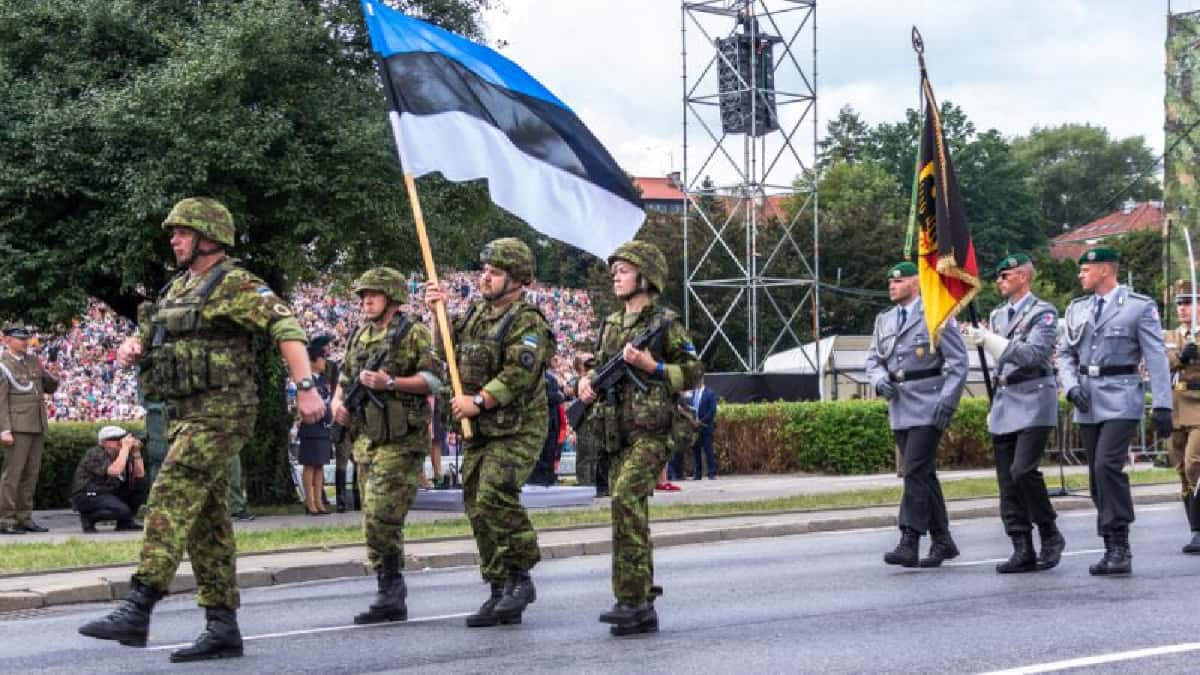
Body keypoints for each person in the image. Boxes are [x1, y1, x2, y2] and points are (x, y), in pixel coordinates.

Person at [78, 197, 325, 662]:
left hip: (221, 413)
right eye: (173, 233)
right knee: (207, 524)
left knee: (169, 495)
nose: (173, 239)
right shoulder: (176, 288)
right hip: (184, 415)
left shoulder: (235, 283)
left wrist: (306, 388)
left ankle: (138, 605)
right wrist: (134, 344)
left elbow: (286, 326)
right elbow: (149, 328)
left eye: (182, 232)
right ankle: (222, 625)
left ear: (209, 237)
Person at [424, 238, 553, 628]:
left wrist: (478, 402)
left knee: (494, 491)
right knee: (476, 505)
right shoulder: (476, 313)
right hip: (481, 430)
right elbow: (444, 349)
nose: (485, 278)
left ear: (516, 279)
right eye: (485, 271)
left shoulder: (527, 320)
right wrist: (436, 312)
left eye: (495, 272)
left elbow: (519, 373)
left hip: (517, 428)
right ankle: (498, 587)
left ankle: (521, 574)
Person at [578, 240, 703, 636]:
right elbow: (597, 368)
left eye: (624, 270)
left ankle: (630, 599)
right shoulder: (611, 324)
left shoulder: (665, 322)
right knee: (629, 513)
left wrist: (654, 366)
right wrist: (585, 383)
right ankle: (640, 602)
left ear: (646, 277)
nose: (616, 275)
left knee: (626, 499)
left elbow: (695, 372)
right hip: (617, 432)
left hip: (652, 431)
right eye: (614, 270)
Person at [332, 267, 440, 624]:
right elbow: (345, 376)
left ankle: (392, 588)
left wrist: (390, 381)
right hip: (367, 440)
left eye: (373, 295)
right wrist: (338, 402)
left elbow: (433, 380)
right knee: (371, 519)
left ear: (392, 297)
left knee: (382, 514)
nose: (366, 301)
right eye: (363, 296)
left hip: (402, 440)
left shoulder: (414, 334)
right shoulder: (360, 336)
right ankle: (388, 586)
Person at [1056, 247, 1172, 576]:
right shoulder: (1077, 308)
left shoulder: (1138, 307)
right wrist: (1070, 386)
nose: (1080, 274)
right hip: (1087, 399)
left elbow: (1157, 356)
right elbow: (1065, 354)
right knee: (1095, 476)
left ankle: (1121, 543)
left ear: (1105, 270)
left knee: (1108, 465)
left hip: (1122, 395)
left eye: (1086, 269)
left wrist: (1162, 404)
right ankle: (1110, 546)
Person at [962, 253, 1065, 573]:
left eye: (1005, 276)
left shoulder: (1043, 313)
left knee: (1023, 470)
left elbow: (1033, 355)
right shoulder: (996, 315)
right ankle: (1021, 545)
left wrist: (989, 339)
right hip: (1006, 399)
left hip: (1034, 397)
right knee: (1007, 481)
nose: (998, 281)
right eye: (998, 276)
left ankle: (1049, 531)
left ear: (1023, 277)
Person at [865, 262, 968, 568]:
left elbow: (958, 363)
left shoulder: (936, 312)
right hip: (899, 403)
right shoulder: (884, 320)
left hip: (929, 402)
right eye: (890, 281)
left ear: (916, 283)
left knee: (913, 471)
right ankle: (943, 540)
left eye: (899, 281)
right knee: (923, 474)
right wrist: (878, 379)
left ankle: (909, 538)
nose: (892, 285)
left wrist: (947, 402)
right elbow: (873, 359)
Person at [0, 323, 59, 535]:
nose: (25, 342)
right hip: (17, 427)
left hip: (36, 424)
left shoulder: (32, 361)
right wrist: (4, 429)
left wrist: (51, 373)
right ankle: (6, 519)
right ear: (6, 340)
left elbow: (50, 387)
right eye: (19, 338)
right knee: (12, 475)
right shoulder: (3, 364)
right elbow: (1, 400)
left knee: (30, 475)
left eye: (26, 338)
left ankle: (24, 517)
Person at [1166, 279, 1200, 554]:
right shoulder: (1170, 336)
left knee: (1194, 465)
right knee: (1180, 471)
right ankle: (1195, 530)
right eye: (1179, 304)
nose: (1182, 308)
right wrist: (1181, 357)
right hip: (1175, 405)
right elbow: (1160, 362)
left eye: (1188, 303)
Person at [71, 426, 147, 533]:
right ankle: (89, 518)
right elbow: (115, 471)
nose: (120, 442)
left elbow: (140, 475)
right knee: (122, 511)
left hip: (109, 492)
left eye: (122, 438)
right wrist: (125, 448)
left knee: (140, 484)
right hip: (88, 495)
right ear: (103, 442)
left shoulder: (121, 453)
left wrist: (136, 452)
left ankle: (125, 523)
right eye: (116, 439)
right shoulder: (95, 453)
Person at [298, 335, 335, 516]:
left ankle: (319, 501)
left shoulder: (322, 380)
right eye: (322, 359)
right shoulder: (305, 380)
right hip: (310, 425)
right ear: (313, 360)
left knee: (320, 465)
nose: (324, 362)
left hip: (323, 426)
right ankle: (309, 501)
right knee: (310, 465)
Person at [527, 370, 564, 486]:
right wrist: (558, 396)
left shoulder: (551, 379)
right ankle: (536, 481)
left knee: (549, 454)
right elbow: (555, 397)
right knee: (538, 456)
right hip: (537, 423)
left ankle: (547, 479)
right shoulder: (532, 378)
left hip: (552, 423)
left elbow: (558, 398)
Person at [690, 380, 718, 481]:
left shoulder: (710, 393)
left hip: (706, 426)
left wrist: (701, 421)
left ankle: (711, 473)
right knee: (695, 451)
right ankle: (697, 474)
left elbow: (712, 410)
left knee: (708, 450)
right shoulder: (693, 393)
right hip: (694, 427)